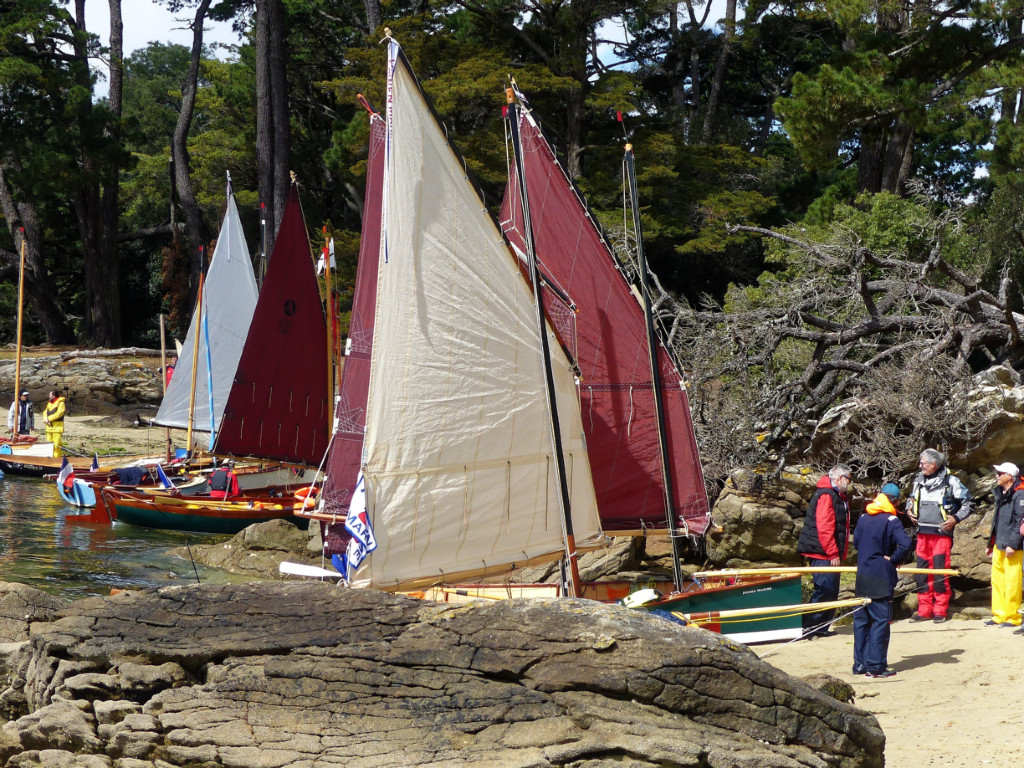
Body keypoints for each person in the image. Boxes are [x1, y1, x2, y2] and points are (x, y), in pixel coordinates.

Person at [905, 448, 973, 623]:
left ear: (933, 464)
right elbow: (911, 499)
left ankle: (940, 610)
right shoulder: (918, 481)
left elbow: (969, 502)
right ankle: (924, 610)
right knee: (921, 573)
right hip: (922, 535)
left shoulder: (952, 482)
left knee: (940, 572)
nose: (920, 466)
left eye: (923, 463)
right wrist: (908, 510)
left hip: (942, 534)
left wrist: (955, 519)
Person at [852, 482, 912, 678]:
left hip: (862, 575)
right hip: (880, 576)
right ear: (893, 501)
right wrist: (893, 559)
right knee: (880, 621)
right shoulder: (891, 520)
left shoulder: (862, 518)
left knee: (862, 622)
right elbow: (905, 544)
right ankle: (875, 666)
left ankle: (860, 665)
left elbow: (857, 544)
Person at [797, 464, 853, 638]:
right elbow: (825, 526)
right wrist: (832, 553)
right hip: (821, 552)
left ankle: (821, 628)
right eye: (849, 479)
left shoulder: (837, 495)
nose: (850, 483)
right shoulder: (827, 495)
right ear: (840, 478)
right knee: (824, 590)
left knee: (832, 591)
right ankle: (808, 628)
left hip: (827, 551)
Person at [986, 462, 1024, 628]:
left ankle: (1012, 616)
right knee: (997, 580)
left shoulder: (1020, 494)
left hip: (1012, 547)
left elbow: (1020, 521)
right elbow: (996, 521)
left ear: (1009, 476)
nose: (997, 475)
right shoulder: (1001, 493)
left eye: (1000, 473)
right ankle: (999, 614)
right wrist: (991, 543)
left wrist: (1013, 544)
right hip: (999, 544)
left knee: (1012, 582)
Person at [42, 390, 66, 457]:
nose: (49, 396)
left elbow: (59, 414)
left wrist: (49, 419)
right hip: (49, 428)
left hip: (57, 428)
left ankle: (56, 460)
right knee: (49, 445)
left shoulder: (61, 403)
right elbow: (45, 412)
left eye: (50, 395)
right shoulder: (50, 403)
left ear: (53, 396)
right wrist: (45, 419)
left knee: (56, 446)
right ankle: (50, 459)